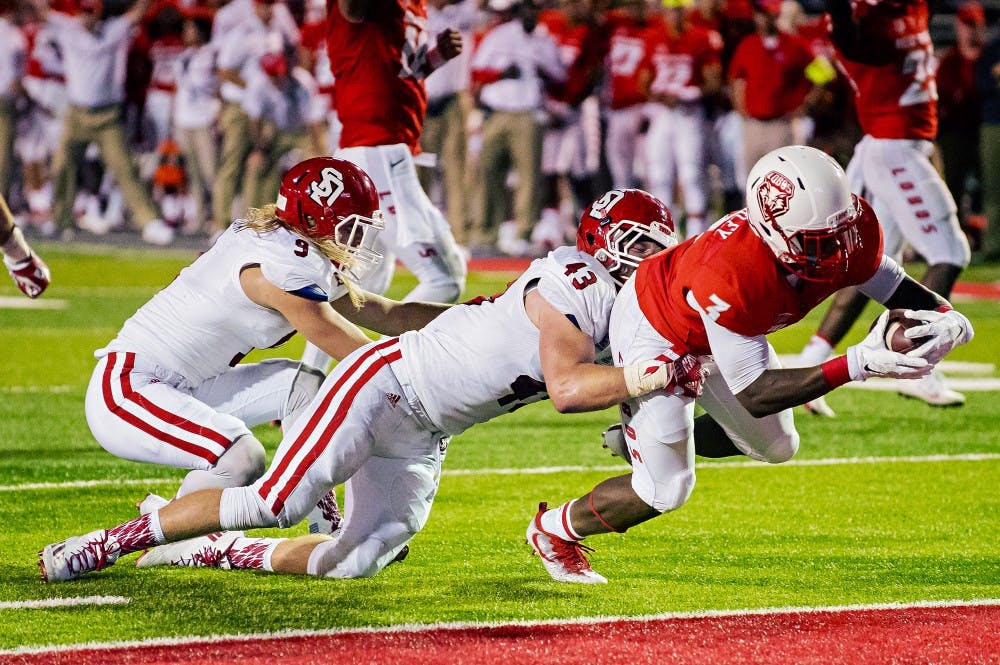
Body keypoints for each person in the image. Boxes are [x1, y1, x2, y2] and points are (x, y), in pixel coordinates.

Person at [39, 188, 688, 583]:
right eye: (640, 244)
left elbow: (401, 315)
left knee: (358, 560)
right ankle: (106, 543)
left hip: (428, 431)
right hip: (385, 386)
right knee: (274, 499)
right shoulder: (576, 278)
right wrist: (640, 381)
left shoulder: (624, 310)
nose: (650, 259)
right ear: (601, 242)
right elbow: (569, 383)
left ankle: (217, 550)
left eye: (660, 246)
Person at [527, 146, 974, 584]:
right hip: (656, 325)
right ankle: (553, 530)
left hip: (718, 324)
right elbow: (756, 393)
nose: (839, 252)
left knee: (779, 447)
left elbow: (895, 286)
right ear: (774, 233)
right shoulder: (734, 271)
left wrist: (948, 318)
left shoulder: (842, 231)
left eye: (841, 233)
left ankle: (642, 439)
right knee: (665, 490)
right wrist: (857, 364)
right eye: (819, 243)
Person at [79, 157, 448, 506]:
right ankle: (163, 529)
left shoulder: (290, 245)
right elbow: (357, 355)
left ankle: (324, 523)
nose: (356, 241)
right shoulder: (283, 267)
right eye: (350, 227)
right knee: (242, 457)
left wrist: (475, 316)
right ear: (316, 220)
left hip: (190, 384)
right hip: (130, 388)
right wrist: (429, 387)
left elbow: (388, 313)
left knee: (303, 386)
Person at [796, 0, 972, 414]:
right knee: (950, 252)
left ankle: (810, 362)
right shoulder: (858, 19)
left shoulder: (908, 6)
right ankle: (921, 364)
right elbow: (854, 44)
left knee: (876, 266)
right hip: (891, 146)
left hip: (901, 145)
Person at [299, 0, 470, 373]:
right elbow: (352, 10)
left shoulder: (414, 6)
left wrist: (436, 57)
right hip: (376, 152)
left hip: (385, 149)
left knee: (361, 281)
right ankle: (376, 374)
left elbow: (401, 70)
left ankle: (306, 385)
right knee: (444, 277)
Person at [32, 0, 174, 245]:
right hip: (77, 113)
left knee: (124, 169)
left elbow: (138, 12)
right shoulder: (67, 28)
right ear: (79, 12)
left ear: (99, 13)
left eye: (92, 11)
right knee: (62, 165)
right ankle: (60, 220)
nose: (87, 17)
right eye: (84, 11)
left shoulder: (114, 29)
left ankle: (149, 222)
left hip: (108, 116)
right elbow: (40, 10)